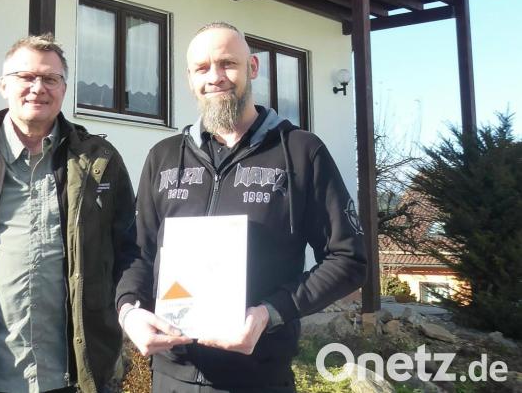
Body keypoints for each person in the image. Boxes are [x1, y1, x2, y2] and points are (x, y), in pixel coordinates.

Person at [115, 22, 368, 393]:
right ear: (190, 79)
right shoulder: (164, 157)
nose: (215, 77)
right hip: (171, 378)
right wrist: (130, 311)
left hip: (259, 378)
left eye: (227, 64)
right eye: (202, 68)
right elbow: (138, 252)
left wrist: (270, 312)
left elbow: (349, 258)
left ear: (252, 68)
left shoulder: (301, 152)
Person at [0, 34, 135, 393]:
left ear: (64, 89)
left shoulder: (99, 161)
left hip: (74, 373)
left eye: (50, 79)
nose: (38, 88)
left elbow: (126, 246)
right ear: (3, 85)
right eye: (26, 77)